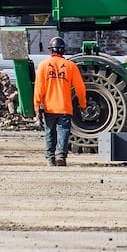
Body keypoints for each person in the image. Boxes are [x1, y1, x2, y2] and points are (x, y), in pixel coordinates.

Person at [34, 35, 88, 166]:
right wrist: (83, 104)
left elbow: (39, 88)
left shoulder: (43, 65)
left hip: (48, 107)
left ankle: (50, 158)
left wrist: (37, 108)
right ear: (63, 50)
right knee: (63, 131)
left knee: (49, 131)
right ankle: (61, 156)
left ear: (51, 50)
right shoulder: (70, 66)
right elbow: (80, 87)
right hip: (64, 107)